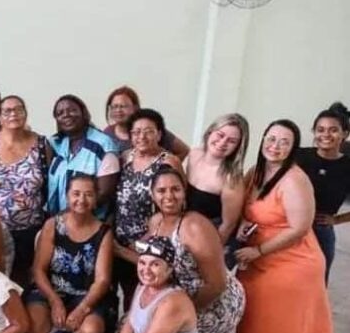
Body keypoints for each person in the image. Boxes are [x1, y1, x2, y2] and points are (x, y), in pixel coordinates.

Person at [234, 120, 334, 333]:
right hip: (256, 255)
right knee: (250, 317)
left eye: (284, 142)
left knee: (273, 327)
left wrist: (259, 250)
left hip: (292, 260)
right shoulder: (255, 172)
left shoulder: (294, 179)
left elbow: (299, 228)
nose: (275, 146)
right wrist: (243, 225)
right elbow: (247, 209)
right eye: (271, 138)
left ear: (293, 148)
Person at [146, 167, 246, 333]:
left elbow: (216, 283)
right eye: (161, 190)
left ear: (185, 192)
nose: (169, 196)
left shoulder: (195, 226)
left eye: (175, 189)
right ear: (152, 194)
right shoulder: (155, 222)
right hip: (180, 297)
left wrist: (183, 315)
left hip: (214, 299)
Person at [28, 174, 116, 333]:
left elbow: (102, 280)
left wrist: (82, 309)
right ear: (67, 196)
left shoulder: (103, 232)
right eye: (76, 193)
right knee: (34, 322)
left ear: (96, 199)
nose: (81, 200)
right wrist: (54, 301)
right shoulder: (53, 225)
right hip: (51, 289)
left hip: (86, 295)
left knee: (91, 331)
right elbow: (38, 270)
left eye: (88, 194)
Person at [0, 95, 48, 286]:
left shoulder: (41, 144)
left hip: (28, 231)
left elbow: (50, 185)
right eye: (7, 111)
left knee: (22, 285)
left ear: (25, 113)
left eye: (19, 109)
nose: (13, 114)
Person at [112, 109, 182, 306]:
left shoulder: (168, 161)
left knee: (144, 297)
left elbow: (177, 205)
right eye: (136, 132)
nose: (141, 137)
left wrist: (146, 238)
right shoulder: (126, 157)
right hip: (119, 240)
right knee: (121, 293)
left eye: (148, 131)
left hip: (149, 243)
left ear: (159, 134)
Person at [296, 102, 350, 283]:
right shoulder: (299, 156)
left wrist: (336, 220)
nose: (326, 135)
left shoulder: (347, 166)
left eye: (333, 130)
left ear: (345, 134)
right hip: (288, 223)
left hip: (320, 229)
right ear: (314, 132)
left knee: (316, 282)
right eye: (320, 130)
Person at [46, 94, 120, 219]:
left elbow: (104, 192)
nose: (66, 115)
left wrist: (71, 216)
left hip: (91, 223)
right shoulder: (56, 145)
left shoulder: (103, 144)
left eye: (72, 110)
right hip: (58, 222)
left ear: (84, 113)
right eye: (60, 113)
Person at [185, 113, 249, 245]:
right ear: (210, 132)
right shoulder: (194, 154)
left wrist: (212, 252)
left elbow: (228, 225)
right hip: (184, 227)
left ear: (238, 147)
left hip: (209, 236)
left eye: (232, 141)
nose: (223, 142)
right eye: (220, 135)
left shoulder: (232, 179)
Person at [102, 86, 189, 159]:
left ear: (135, 107)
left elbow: (183, 150)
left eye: (123, 106)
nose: (118, 110)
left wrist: (165, 168)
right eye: (114, 106)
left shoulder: (151, 131)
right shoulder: (107, 133)